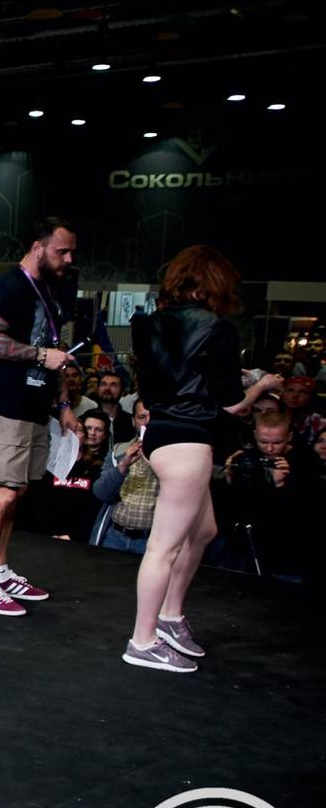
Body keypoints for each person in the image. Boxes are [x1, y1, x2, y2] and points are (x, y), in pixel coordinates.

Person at [122, 245, 280, 672]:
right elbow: (232, 403)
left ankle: (170, 617)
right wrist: (262, 385)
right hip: (188, 441)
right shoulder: (218, 328)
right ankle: (142, 640)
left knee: (204, 530)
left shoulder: (148, 323)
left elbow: (162, 383)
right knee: (164, 547)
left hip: (161, 435)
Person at [0, 216, 76, 616]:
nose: (68, 259)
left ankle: (0, 569)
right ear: (37, 247)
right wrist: (41, 356)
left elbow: (55, 351)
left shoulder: (48, 290)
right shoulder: (8, 286)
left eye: (71, 252)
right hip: (4, 405)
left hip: (34, 406)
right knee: (2, 491)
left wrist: (63, 405)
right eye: (61, 251)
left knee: (18, 491)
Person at [217, 409, 320, 581]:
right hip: (248, 540)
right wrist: (230, 476)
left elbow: (308, 508)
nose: (270, 448)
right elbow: (232, 504)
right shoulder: (248, 458)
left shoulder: (306, 459)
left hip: (290, 545)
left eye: (277, 442)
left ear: (289, 436)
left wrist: (281, 484)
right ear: (255, 435)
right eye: (263, 442)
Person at [23, 410, 108, 538]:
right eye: (68, 431)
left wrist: (73, 535)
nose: (72, 435)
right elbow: (37, 502)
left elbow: (93, 509)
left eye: (78, 431)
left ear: (85, 438)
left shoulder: (95, 468)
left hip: (75, 537)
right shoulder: (47, 466)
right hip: (45, 534)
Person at [91, 400, 156, 554]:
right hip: (114, 536)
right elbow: (100, 493)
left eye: (152, 417)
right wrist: (123, 465)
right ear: (133, 421)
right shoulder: (118, 451)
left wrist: (157, 462)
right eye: (141, 417)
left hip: (150, 540)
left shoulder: (170, 456)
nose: (147, 422)